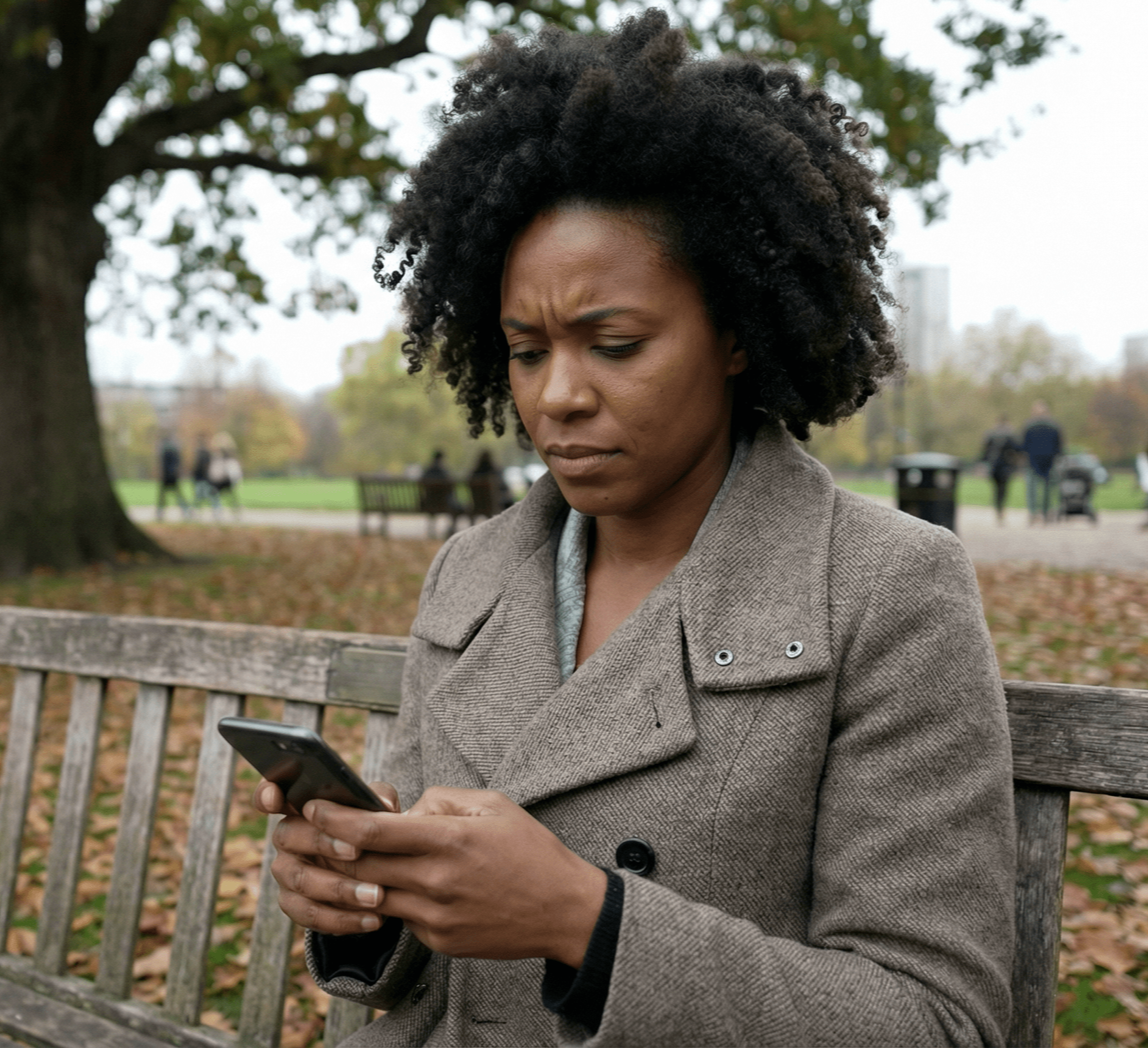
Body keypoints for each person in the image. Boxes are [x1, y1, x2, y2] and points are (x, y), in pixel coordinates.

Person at [254, 13, 1015, 1047]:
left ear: (737, 332)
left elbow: (935, 1019)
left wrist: (589, 921)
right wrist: (364, 907)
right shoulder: (468, 575)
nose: (558, 395)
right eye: (525, 351)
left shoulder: (885, 589)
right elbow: (422, 981)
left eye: (612, 344)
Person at [1021, 400, 1063, 524]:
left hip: (1033, 459)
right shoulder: (1054, 425)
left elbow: (1024, 445)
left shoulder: (1029, 425)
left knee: (1032, 488)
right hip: (1049, 459)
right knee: (1048, 487)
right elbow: (1059, 445)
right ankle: (1046, 512)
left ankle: (1033, 512)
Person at [980, 415, 1021, 524]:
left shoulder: (990, 435)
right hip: (1005, 466)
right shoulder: (1010, 435)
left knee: (996, 489)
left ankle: (998, 508)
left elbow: (984, 452)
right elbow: (1017, 448)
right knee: (1003, 489)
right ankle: (1001, 509)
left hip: (994, 466)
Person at [419, 450, 464, 539]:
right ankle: (451, 529)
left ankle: (433, 530)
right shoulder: (443, 472)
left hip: (429, 502)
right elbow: (451, 487)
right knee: (459, 507)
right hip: (443, 503)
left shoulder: (427, 471)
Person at [468, 449, 513, 521]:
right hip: (494, 502)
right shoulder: (495, 472)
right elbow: (503, 487)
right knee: (509, 501)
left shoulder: (475, 473)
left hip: (478, 504)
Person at [207, 432, 242, 520]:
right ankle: (222, 510)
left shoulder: (225, 457)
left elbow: (231, 470)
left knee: (226, 497)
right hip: (222, 481)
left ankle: (223, 510)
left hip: (224, 480)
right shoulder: (221, 457)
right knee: (226, 496)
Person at [156, 434, 190, 521]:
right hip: (173, 476)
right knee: (178, 495)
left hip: (167, 476)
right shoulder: (175, 450)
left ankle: (160, 513)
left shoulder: (164, 450)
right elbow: (177, 463)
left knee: (163, 496)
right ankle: (186, 511)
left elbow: (163, 465)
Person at [191, 433, 217, 513]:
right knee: (208, 497)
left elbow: (199, 467)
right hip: (206, 478)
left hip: (202, 479)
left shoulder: (201, 454)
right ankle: (216, 511)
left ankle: (195, 512)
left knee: (200, 496)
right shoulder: (207, 453)